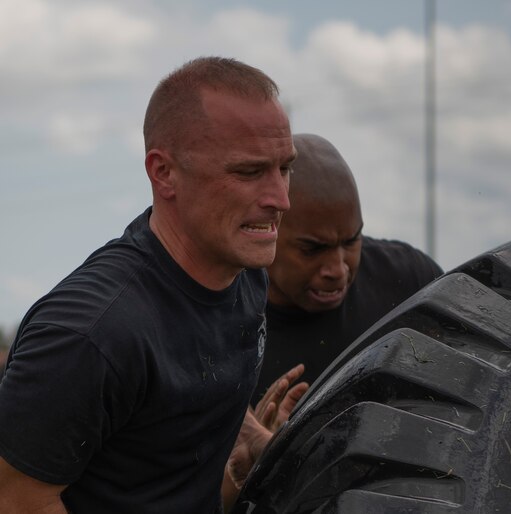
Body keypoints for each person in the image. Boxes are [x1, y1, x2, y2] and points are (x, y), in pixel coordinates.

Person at [0, 56, 301, 514]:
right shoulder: (90, 335)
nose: (281, 199)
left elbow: (183, 374)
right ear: (164, 173)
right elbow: (15, 500)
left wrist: (249, 443)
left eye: (285, 168)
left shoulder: (244, 274)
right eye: (248, 172)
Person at [252, 133, 444, 401]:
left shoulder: (412, 283)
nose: (338, 270)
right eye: (313, 249)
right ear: (268, 230)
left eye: (352, 241)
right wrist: (253, 430)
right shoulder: (224, 321)